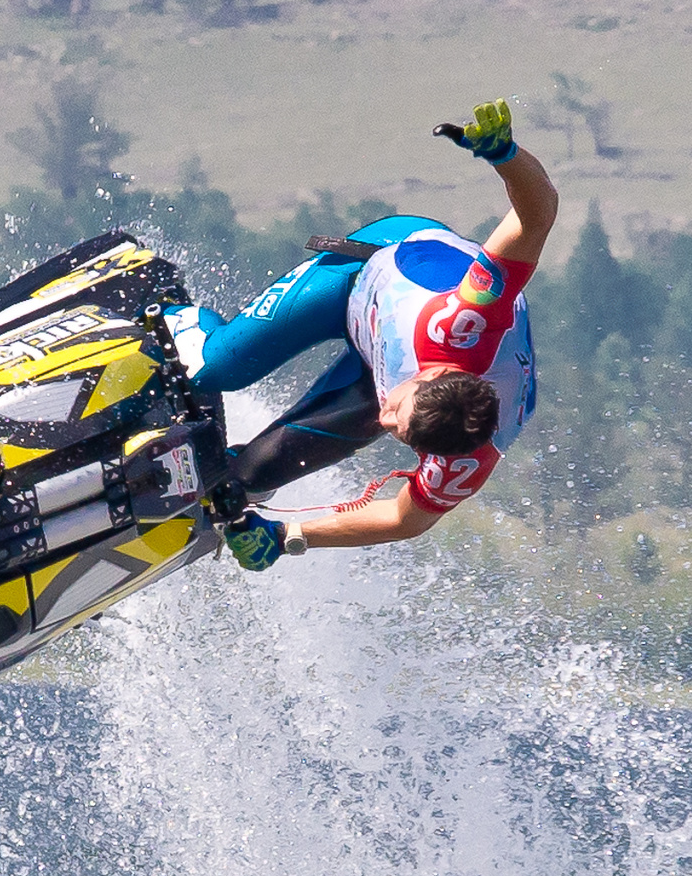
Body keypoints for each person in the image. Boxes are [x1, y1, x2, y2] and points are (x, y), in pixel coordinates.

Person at [172, 99, 557, 571]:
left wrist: (288, 535)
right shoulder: (469, 317)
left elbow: (404, 519)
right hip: (363, 273)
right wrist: (505, 154)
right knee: (215, 369)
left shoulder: (467, 452)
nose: (388, 422)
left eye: (403, 434)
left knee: (249, 478)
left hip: (381, 355)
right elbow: (536, 216)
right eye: (398, 412)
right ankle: (158, 306)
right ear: (427, 375)